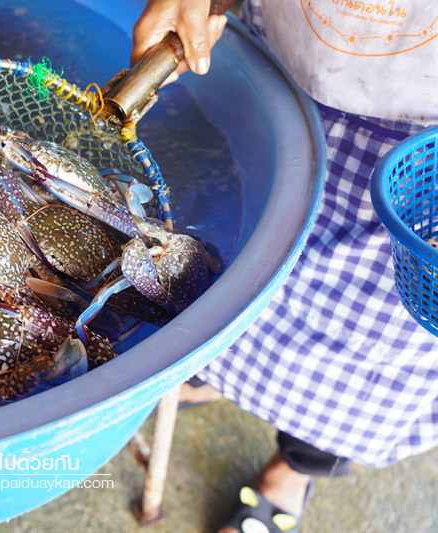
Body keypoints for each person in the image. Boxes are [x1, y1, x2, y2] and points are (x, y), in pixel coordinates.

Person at [131, 1, 438, 532]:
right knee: (222, 267)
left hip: (422, 162)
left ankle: (297, 468)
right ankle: (212, 375)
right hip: (281, 63)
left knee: (374, 355)